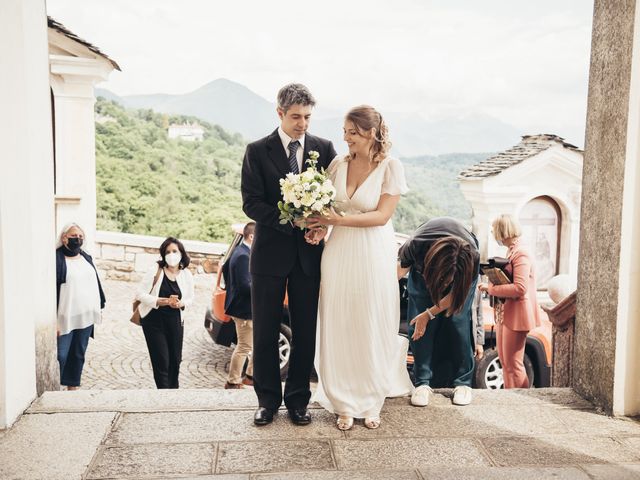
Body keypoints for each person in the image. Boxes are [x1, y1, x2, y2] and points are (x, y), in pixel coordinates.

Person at [307, 105, 414, 431]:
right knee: (339, 321)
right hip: (338, 251)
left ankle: (369, 400)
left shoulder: (390, 167)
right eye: (345, 131)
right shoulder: (338, 164)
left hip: (373, 253)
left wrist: (336, 220)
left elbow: (382, 216)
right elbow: (325, 208)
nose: (345, 137)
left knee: (370, 322)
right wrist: (319, 227)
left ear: (370, 133)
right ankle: (342, 400)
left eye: (352, 132)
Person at [241, 83, 337, 426]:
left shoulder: (324, 149)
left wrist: (321, 226)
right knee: (265, 330)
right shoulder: (257, 151)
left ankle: (298, 400)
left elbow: (333, 200)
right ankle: (267, 400)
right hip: (268, 254)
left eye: (308, 117)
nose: (303, 124)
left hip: (309, 255)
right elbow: (251, 203)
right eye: (296, 117)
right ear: (280, 113)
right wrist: (291, 220)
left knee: (305, 330)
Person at [397, 217, 480, 407]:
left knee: (458, 320)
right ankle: (422, 383)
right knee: (417, 325)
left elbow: (455, 296)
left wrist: (429, 313)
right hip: (423, 273)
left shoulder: (471, 255)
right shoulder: (415, 245)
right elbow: (397, 273)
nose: (444, 285)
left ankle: (463, 382)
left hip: (463, 268)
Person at [478, 214, 541, 388]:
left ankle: (522, 401)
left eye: (495, 231)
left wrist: (491, 289)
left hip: (518, 316)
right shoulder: (513, 251)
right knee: (506, 362)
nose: (494, 235)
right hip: (507, 313)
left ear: (502, 232)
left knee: (514, 364)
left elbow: (520, 288)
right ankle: (509, 399)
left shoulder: (521, 254)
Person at [136, 237, 194, 389]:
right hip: (154, 321)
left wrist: (182, 303)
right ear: (163, 255)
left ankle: (173, 393)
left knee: (175, 360)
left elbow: (190, 298)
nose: (171, 254)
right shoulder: (156, 270)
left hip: (175, 321)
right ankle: (163, 394)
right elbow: (140, 294)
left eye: (174, 251)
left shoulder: (186, 274)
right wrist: (159, 301)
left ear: (181, 253)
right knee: (162, 360)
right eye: (168, 252)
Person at [56, 223, 106, 390]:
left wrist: (98, 308)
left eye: (80, 236)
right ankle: (56, 385)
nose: (77, 239)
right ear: (64, 238)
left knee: (78, 353)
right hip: (64, 317)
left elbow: (95, 284)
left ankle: (72, 387)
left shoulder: (86, 257)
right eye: (73, 236)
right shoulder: (56, 259)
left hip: (86, 315)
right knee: (61, 355)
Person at [222, 222, 256, 389]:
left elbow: (225, 269)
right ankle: (233, 381)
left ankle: (250, 376)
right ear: (251, 236)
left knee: (255, 343)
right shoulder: (243, 255)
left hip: (244, 307)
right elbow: (245, 286)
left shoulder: (240, 251)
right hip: (244, 309)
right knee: (244, 346)